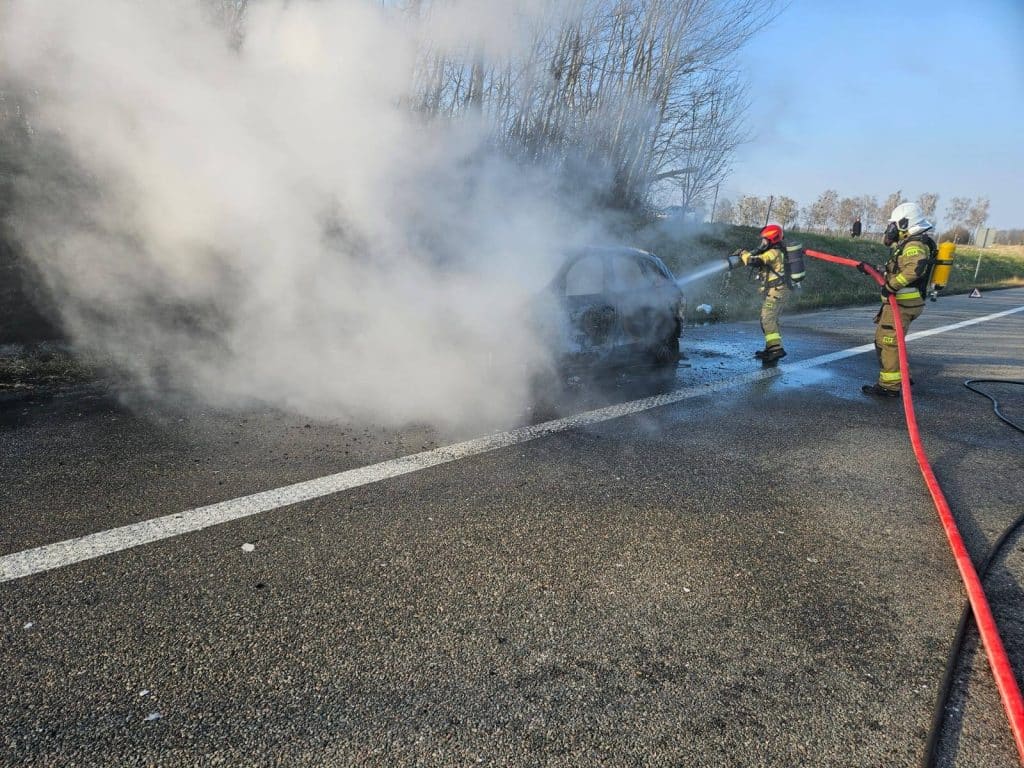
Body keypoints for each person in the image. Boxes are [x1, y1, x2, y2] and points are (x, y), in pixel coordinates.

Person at [862, 202, 937, 398]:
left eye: (893, 225)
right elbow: (900, 268)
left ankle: (890, 386)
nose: (890, 229)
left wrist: (891, 286)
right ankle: (902, 376)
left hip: (903, 304)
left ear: (904, 223)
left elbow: (914, 269)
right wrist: (875, 271)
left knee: (888, 342)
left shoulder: (913, 245)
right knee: (892, 342)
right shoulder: (911, 243)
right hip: (905, 303)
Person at [725, 223, 790, 363]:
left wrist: (743, 253)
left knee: (767, 318)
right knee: (768, 319)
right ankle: (770, 348)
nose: (762, 243)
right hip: (776, 290)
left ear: (772, 239)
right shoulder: (773, 251)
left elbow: (753, 261)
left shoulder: (774, 252)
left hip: (777, 291)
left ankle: (776, 350)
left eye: (765, 240)